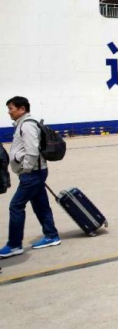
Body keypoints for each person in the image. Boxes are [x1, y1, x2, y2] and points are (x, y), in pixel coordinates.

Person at [0, 96, 61, 259]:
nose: (9, 112)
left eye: (11, 108)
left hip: (32, 173)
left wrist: (26, 169)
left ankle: (14, 245)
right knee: (41, 205)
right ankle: (51, 235)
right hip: (35, 172)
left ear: (22, 109)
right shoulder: (23, 124)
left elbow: (32, 150)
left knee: (16, 206)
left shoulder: (27, 125)